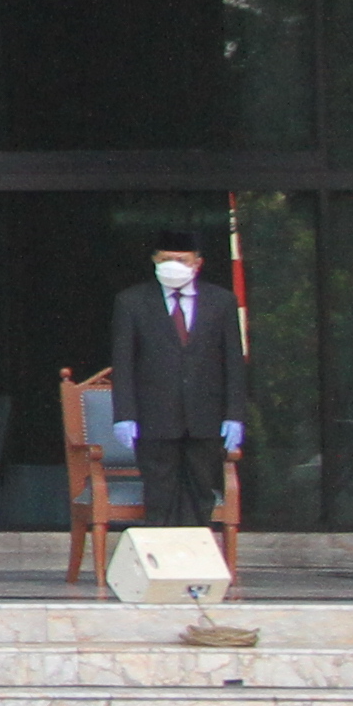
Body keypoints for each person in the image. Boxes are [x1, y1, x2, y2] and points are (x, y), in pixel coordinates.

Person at [106, 229, 249, 544]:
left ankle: (195, 557)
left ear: (197, 263)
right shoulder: (132, 302)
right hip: (154, 417)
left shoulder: (221, 302)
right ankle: (160, 561)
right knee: (159, 490)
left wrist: (234, 413)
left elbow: (233, 363)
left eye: (181, 260)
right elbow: (124, 362)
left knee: (200, 491)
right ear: (154, 261)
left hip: (206, 417)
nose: (173, 265)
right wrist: (125, 414)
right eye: (166, 259)